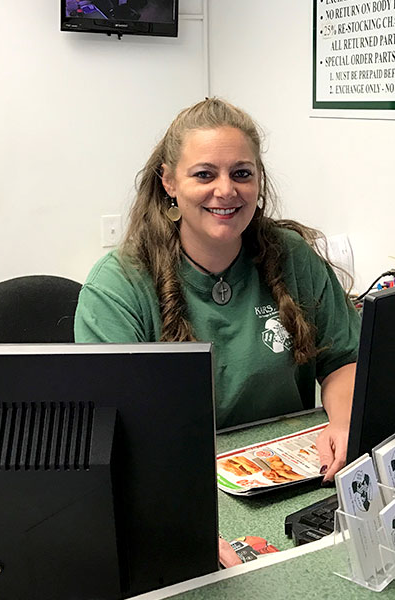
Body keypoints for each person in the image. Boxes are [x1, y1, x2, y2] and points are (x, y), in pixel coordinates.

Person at [74, 98, 360, 481]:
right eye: (204, 175)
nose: (226, 191)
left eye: (241, 174)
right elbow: (115, 434)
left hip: (293, 473)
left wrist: (344, 424)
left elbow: (343, 360)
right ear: (169, 181)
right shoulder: (118, 285)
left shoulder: (291, 256)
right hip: (173, 479)